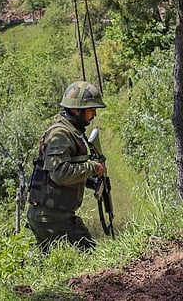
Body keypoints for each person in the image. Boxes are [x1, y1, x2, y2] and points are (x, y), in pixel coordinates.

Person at [26, 81, 107, 252]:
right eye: (91, 109)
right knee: (89, 257)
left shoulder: (72, 131)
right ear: (77, 110)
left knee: (61, 264)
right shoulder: (60, 134)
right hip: (50, 217)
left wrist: (91, 181)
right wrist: (93, 168)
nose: (94, 114)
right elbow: (60, 174)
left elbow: (68, 171)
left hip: (54, 215)